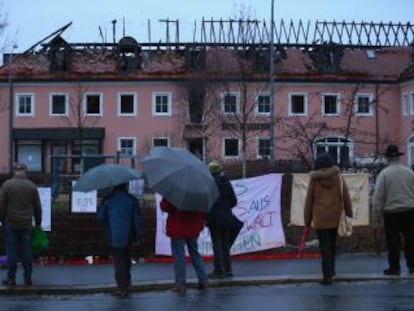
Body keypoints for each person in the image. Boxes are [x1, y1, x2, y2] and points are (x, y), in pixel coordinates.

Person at [303, 153, 353, 285]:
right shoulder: (338, 178)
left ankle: (327, 276)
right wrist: (349, 214)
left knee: (324, 246)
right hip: (335, 216)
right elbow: (346, 197)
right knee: (332, 244)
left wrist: (307, 221)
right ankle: (332, 271)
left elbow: (309, 201)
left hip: (320, 218)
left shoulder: (314, 180)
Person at [372, 144, 414, 275]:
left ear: (387, 158)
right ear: (398, 157)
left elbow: (378, 196)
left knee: (393, 242)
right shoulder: (409, 172)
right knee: (411, 239)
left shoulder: (384, 174)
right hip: (410, 210)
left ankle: (394, 268)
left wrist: (376, 215)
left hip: (391, 212)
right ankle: (412, 265)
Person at [97, 183, 144, 297]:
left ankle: (122, 287)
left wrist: (101, 205)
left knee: (118, 261)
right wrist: (138, 236)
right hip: (129, 235)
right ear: (125, 186)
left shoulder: (108, 200)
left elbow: (100, 218)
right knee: (126, 258)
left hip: (114, 235)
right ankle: (127, 282)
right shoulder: (131, 200)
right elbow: (137, 220)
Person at [0, 162, 42, 286]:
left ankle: (11, 278)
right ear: (25, 171)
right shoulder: (31, 186)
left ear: (14, 171)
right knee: (27, 251)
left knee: (11, 251)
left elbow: (1, 204)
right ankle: (28, 278)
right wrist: (38, 222)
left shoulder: (7, 185)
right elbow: (37, 207)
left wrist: (2, 219)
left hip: (10, 222)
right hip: (26, 223)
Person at [160, 197, 208, 293]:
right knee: (195, 254)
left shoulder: (174, 192)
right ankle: (203, 280)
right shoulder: (198, 193)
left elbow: (164, 206)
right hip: (194, 227)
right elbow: (204, 210)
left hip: (178, 227)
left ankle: (180, 284)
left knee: (179, 257)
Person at [207, 160, 238, 279]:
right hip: (227, 217)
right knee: (225, 244)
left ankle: (218, 270)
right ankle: (228, 269)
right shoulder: (226, 182)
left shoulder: (209, 184)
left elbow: (206, 201)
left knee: (217, 244)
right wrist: (225, 208)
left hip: (214, 217)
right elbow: (234, 201)